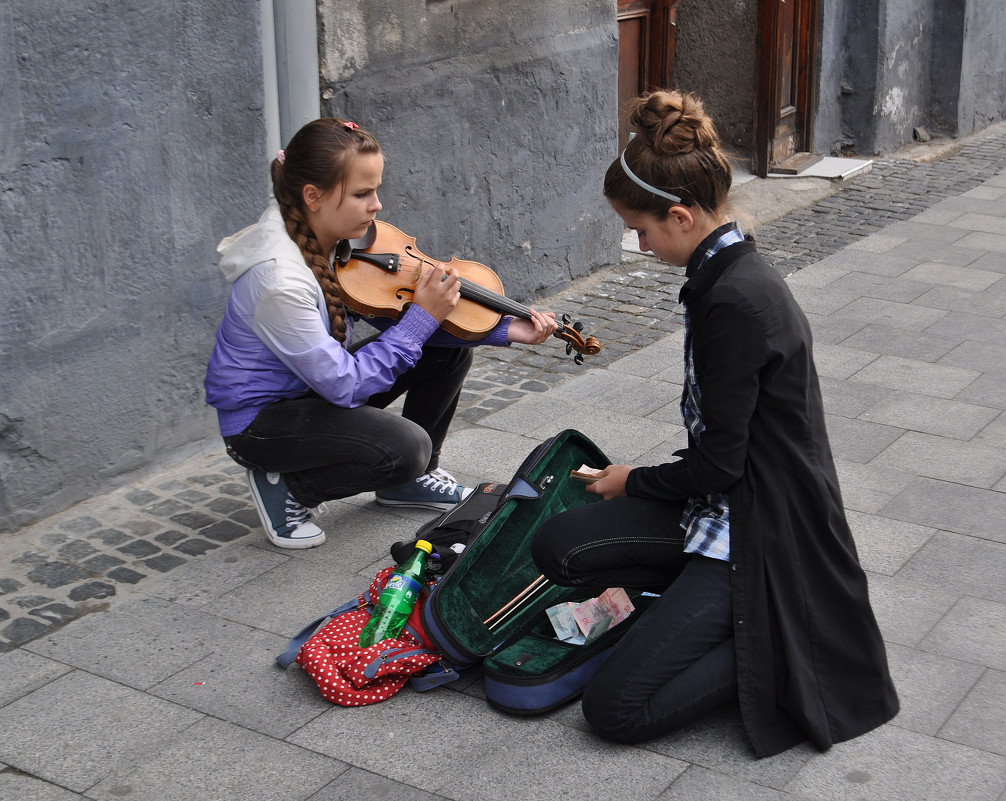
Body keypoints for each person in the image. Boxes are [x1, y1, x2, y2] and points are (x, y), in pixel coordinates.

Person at [531, 91, 898, 758]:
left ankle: (763, 645)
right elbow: (721, 445)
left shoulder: (733, 300)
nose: (638, 245)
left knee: (614, 708)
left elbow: (720, 466)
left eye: (639, 230)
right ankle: (699, 612)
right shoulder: (721, 272)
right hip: (720, 500)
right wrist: (634, 483)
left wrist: (631, 479)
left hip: (757, 528)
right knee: (558, 544)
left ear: (679, 215)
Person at [204, 117, 556, 549]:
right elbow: (344, 386)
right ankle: (289, 488)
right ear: (312, 197)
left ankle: (408, 484)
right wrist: (423, 317)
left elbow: (395, 320)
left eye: (376, 190)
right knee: (406, 448)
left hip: (311, 391)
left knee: (445, 352)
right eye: (361, 194)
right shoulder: (279, 282)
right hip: (263, 423)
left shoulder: (329, 236)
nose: (377, 206)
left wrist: (506, 330)